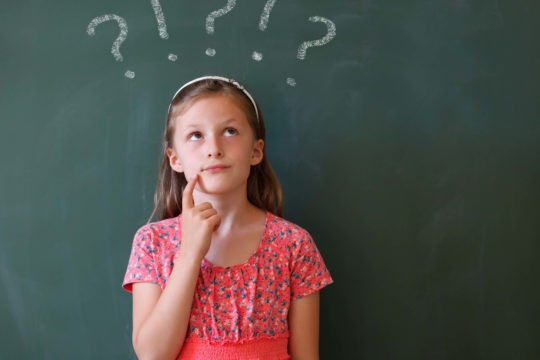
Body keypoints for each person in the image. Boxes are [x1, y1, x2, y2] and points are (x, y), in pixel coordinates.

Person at [122, 75, 333, 359]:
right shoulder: (152, 242)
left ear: (256, 151)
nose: (214, 148)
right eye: (196, 135)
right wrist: (190, 253)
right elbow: (152, 355)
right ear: (176, 159)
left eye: (230, 131)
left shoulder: (293, 245)